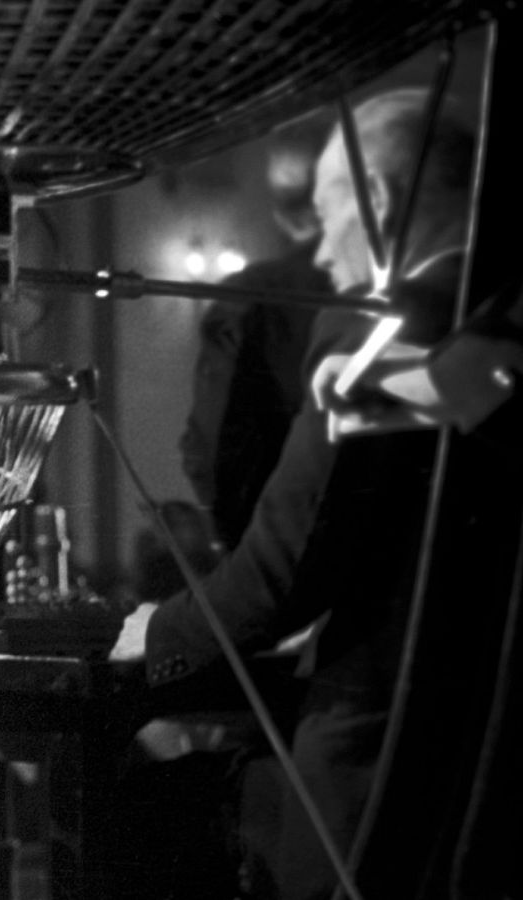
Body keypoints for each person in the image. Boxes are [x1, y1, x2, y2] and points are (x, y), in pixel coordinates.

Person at [110, 87, 505, 900]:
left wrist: (164, 630)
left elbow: (290, 558)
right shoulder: (501, 311)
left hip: (386, 748)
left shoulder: (377, 327)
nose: (322, 256)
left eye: (330, 218)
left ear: (381, 199)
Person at [180, 117, 335, 548]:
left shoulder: (249, 297)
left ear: (279, 210)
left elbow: (210, 449)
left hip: (274, 552)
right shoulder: (389, 289)